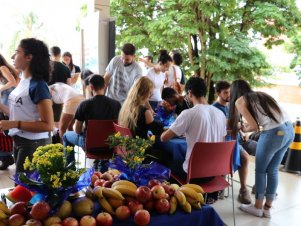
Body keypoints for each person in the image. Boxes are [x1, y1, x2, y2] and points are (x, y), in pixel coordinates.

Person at [228, 80, 294, 218]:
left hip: (273, 132)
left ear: (235, 92)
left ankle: (257, 207)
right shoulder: (260, 95)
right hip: (288, 130)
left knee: (260, 170)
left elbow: (253, 127)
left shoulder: (240, 101)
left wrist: (242, 127)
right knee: (273, 169)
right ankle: (267, 208)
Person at [0, 38, 54, 174]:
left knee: (26, 190)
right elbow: (19, 112)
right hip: (20, 141)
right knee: (21, 188)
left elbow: (48, 125)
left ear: (29, 57)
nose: (12, 56)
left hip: (34, 144)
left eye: (17, 52)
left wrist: (14, 124)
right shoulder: (24, 82)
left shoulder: (38, 85)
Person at [161, 77, 226, 179]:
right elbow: (221, 142)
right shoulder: (220, 114)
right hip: (215, 173)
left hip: (193, 174)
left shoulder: (189, 113)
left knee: (163, 161)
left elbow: (163, 138)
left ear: (190, 93)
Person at [63, 74, 121, 171]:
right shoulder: (116, 104)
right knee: (105, 139)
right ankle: (102, 167)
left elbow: (77, 130)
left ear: (91, 87)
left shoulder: (84, 104)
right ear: (104, 86)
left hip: (90, 146)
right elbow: (119, 128)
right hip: (110, 147)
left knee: (66, 136)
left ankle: (70, 170)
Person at [212, 80, 251, 204]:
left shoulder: (234, 106)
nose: (229, 95)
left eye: (230, 92)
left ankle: (243, 189)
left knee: (245, 157)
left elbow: (236, 125)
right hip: (221, 143)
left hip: (235, 141)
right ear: (218, 93)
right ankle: (219, 184)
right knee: (229, 158)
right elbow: (218, 130)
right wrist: (235, 127)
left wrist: (242, 132)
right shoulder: (214, 109)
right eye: (225, 92)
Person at [49, 46, 71, 127]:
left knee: (46, 119)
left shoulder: (45, 67)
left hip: (46, 96)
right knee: (57, 120)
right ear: (60, 54)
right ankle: (56, 138)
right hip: (59, 97)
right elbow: (68, 85)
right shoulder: (66, 68)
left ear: (50, 54)